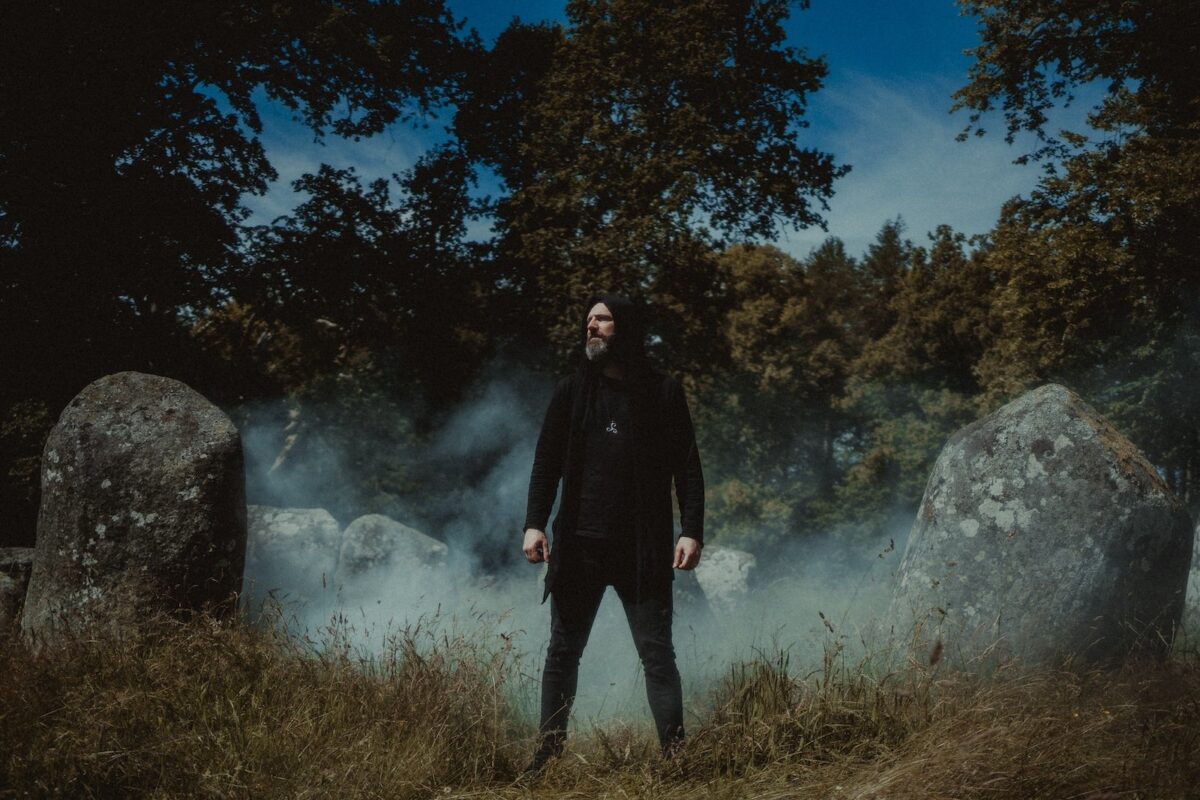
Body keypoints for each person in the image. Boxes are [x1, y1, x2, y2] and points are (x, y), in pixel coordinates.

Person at [522, 292, 704, 771]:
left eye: (602, 320)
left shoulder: (662, 392)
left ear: (625, 328)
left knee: (657, 655)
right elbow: (546, 463)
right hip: (579, 545)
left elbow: (687, 467)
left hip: (642, 549)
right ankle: (546, 759)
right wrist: (534, 523)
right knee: (562, 653)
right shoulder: (571, 391)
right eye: (588, 320)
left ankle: (676, 759)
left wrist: (691, 530)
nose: (591, 326)